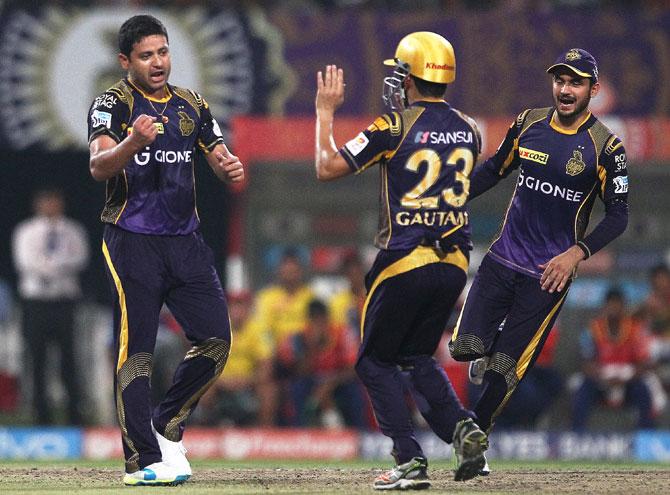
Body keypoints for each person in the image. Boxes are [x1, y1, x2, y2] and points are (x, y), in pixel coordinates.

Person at [315, 32, 488, 489]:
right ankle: (462, 429)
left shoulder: (394, 125)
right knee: (416, 355)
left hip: (406, 259)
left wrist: (325, 113)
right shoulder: (471, 128)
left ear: (410, 77)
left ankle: (408, 460)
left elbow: (326, 167)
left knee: (373, 362)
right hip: (454, 264)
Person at [450, 48, 629, 467]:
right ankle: (486, 361)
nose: (566, 90)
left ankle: (473, 438)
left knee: (507, 369)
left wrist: (576, 254)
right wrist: (450, 198)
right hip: (503, 257)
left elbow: (619, 216)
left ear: (593, 89)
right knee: (463, 349)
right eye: (560, 81)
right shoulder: (528, 123)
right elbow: (495, 168)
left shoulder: (607, 147)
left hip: (548, 274)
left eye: (576, 83)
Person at [87, 15, 244, 486]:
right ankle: (142, 460)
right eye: (146, 55)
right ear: (125, 61)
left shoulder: (191, 103)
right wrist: (134, 140)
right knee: (137, 353)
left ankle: (167, 420)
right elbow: (98, 166)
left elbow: (216, 151)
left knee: (217, 340)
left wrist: (226, 166)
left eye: (163, 52)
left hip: (186, 241)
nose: (158, 63)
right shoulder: (111, 103)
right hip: (132, 239)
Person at [11, 188, 89, 425]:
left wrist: (52, 265)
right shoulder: (25, 231)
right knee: (37, 359)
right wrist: (56, 266)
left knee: (69, 360)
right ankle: (40, 417)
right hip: (35, 304)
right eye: (46, 202)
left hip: (64, 302)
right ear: (38, 205)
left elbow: (80, 259)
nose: (50, 206)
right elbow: (25, 262)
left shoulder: (73, 231)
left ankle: (74, 416)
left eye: (54, 202)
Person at [572, 288, 655, 431]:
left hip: (628, 377)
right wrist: (601, 377)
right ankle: (578, 435)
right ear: (605, 306)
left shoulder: (635, 328)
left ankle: (645, 436)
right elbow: (585, 361)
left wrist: (626, 379)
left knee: (644, 390)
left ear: (624, 306)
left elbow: (643, 362)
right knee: (581, 390)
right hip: (601, 377)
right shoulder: (593, 328)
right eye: (611, 305)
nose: (614, 309)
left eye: (618, 305)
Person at [275, 298, 365, 428]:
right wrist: (312, 347)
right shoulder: (299, 337)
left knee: (354, 391)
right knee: (297, 388)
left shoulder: (342, 334)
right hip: (311, 381)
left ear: (327, 319)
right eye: (314, 320)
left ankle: (359, 432)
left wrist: (330, 384)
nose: (319, 325)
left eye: (322, 320)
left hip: (338, 380)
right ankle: (299, 432)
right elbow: (300, 372)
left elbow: (353, 369)